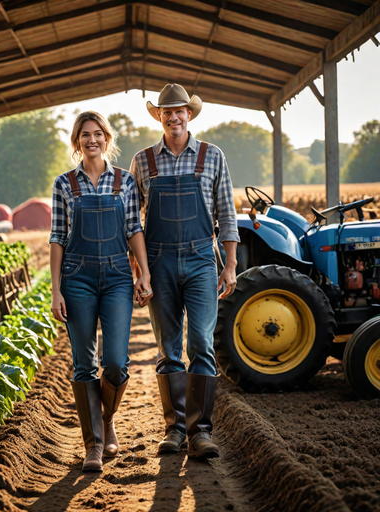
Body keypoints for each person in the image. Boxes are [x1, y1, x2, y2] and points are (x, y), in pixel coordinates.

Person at [130, 84, 239, 459]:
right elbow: (132, 222)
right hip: (158, 262)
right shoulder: (143, 161)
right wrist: (139, 271)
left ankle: (200, 432)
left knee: (203, 346)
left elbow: (227, 213)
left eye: (179, 111)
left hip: (200, 261)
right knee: (168, 349)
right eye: (166, 112)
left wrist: (230, 265)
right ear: (159, 117)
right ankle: (174, 429)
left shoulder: (212, 156)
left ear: (189, 115)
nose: (173, 117)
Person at [49, 111, 153, 472]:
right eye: (85, 135)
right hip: (76, 278)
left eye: (98, 134)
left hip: (116, 277)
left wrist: (144, 273)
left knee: (116, 363)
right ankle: (93, 445)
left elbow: (133, 229)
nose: (92, 140)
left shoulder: (125, 182)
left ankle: (106, 419)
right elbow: (57, 238)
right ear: (77, 141)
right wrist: (55, 289)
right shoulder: (64, 184)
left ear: (107, 138)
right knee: (83, 365)